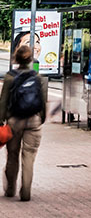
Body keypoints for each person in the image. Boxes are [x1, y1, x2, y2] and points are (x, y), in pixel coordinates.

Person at [0, 46, 48, 202]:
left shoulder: (9, 77)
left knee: (12, 155)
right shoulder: (39, 77)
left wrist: (2, 120)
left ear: (16, 59)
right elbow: (43, 101)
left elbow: (3, 102)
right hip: (33, 121)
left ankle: (10, 189)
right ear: (30, 59)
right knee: (29, 156)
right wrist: (41, 118)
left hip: (14, 122)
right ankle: (26, 191)